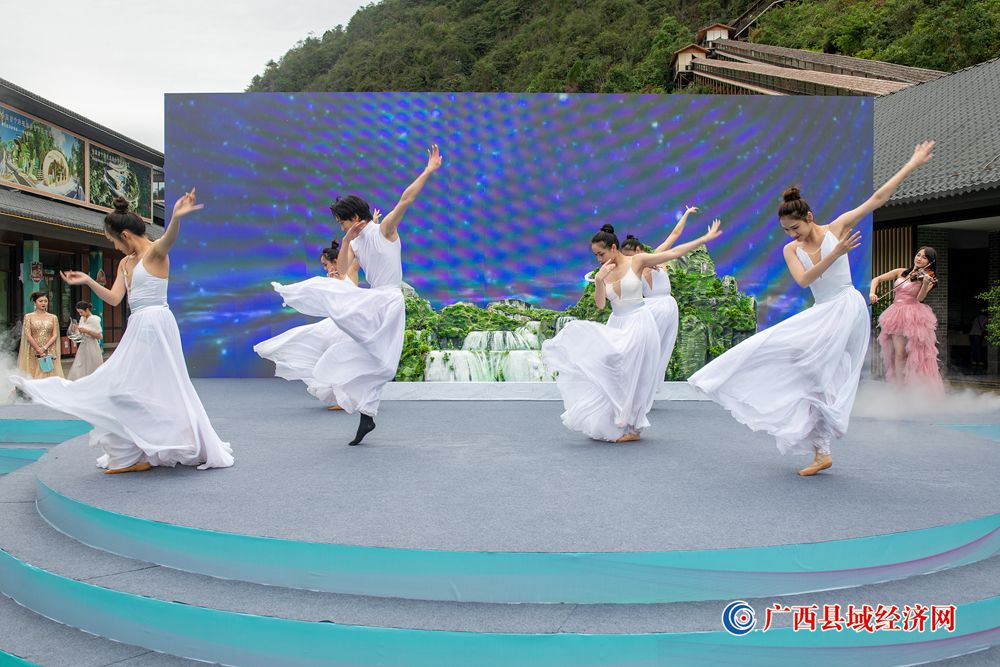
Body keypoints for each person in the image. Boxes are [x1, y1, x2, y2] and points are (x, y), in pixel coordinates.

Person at [689, 141, 935, 476]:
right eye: (786, 231)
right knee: (804, 370)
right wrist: (835, 254)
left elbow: (876, 199)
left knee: (820, 373)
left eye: (795, 228)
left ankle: (826, 436)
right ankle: (822, 450)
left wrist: (912, 163)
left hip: (846, 307)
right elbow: (805, 280)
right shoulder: (791, 250)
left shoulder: (836, 228)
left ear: (809, 217)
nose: (792, 234)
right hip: (823, 310)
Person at [11, 192, 234, 474]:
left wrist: (176, 218)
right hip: (137, 325)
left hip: (156, 324)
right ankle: (139, 450)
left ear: (125, 235)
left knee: (151, 385)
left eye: (114, 241)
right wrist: (88, 280)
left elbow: (168, 240)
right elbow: (115, 298)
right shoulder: (125, 263)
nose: (114, 246)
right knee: (129, 388)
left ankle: (158, 446)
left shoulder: (155, 251)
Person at [272, 144, 443, 445]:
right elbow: (340, 270)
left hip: (389, 300)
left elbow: (406, 199)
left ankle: (367, 414)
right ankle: (366, 413)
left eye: (342, 221)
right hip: (373, 300)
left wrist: (428, 171)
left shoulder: (384, 230)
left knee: (382, 364)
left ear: (353, 216)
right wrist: (348, 239)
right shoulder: (356, 240)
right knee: (366, 353)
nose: (340, 226)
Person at [543, 220, 722, 442]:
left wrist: (705, 239)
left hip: (638, 322)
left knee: (634, 374)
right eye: (596, 255)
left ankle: (633, 428)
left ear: (613, 248)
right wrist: (599, 280)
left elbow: (673, 252)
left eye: (601, 254)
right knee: (612, 369)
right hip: (617, 324)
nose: (599, 259)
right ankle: (620, 420)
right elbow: (601, 304)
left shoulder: (637, 261)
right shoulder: (604, 272)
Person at [255, 240, 360, 409]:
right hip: (337, 324)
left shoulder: (350, 273)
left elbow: (358, 256)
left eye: (326, 264)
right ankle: (343, 398)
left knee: (341, 359)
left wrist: (357, 236)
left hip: (348, 325)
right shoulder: (329, 280)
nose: (325, 268)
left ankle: (346, 398)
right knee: (318, 349)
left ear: (335, 261)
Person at [619, 205, 699, 381]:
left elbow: (674, 235)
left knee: (658, 348)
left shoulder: (657, 255)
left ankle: (646, 381)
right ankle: (634, 378)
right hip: (650, 309)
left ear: (638, 251)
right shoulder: (633, 269)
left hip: (666, 306)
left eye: (631, 256)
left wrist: (686, 214)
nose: (630, 260)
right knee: (645, 347)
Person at [869, 247, 943, 392]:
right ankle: (899, 387)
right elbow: (876, 279)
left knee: (916, 353)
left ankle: (915, 386)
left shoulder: (928, 278)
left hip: (914, 315)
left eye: (924, 257)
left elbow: (919, 298)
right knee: (899, 352)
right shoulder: (901, 272)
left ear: (930, 262)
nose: (919, 258)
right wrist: (872, 293)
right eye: (918, 255)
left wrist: (925, 284)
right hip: (896, 314)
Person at [17, 291, 63, 380]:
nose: (43, 303)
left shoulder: (53, 317)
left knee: (48, 373)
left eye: (46, 301)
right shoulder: (28, 317)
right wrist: (38, 349)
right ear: (35, 302)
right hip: (33, 350)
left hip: (49, 349)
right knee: (33, 375)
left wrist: (44, 348)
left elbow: (55, 335)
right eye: (40, 301)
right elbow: (28, 335)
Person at [67, 301, 103, 380]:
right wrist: (76, 330)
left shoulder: (94, 319)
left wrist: (86, 331)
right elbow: (80, 332)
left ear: (87, 310)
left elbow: (100, 336)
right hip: (83, 345)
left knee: (92, 365)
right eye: (79, 312)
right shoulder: (82, 319)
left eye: (81, 312)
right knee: (80, 365)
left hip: (92, 345)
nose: (80, 314)